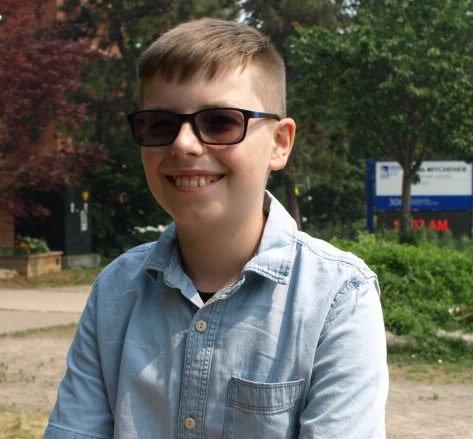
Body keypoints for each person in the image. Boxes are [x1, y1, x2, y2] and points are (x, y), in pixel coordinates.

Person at [44, 18, 388, 438]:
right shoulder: (115, 291)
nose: (184, 143)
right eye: (159, 124)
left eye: (221, 122)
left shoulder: (338, 297)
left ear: (280, 142)